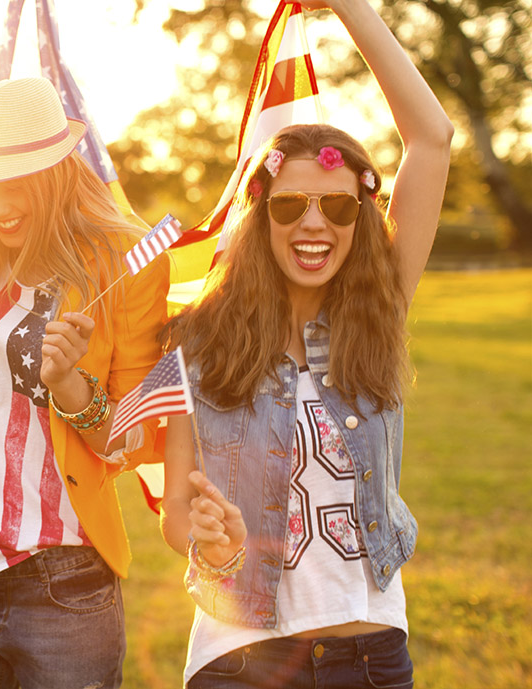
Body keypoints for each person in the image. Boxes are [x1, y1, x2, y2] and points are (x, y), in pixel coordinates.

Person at [160, 0, 453, 687]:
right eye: (290, 205)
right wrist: (206, 533)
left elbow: (433, 139)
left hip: (370, 656)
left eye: (338, 205)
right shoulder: (199, 342)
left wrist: (350, 7)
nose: (313, 223)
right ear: (262, 217)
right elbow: (177, 517)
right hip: (239, 658)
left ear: (361, 216)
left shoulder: (374, 316)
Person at [0, 2, 170, 687]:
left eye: (20, 181)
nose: (0, 204)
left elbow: (138, 438)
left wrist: (73, 388)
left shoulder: (126, 258)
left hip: (65, 580)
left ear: (58, 166)